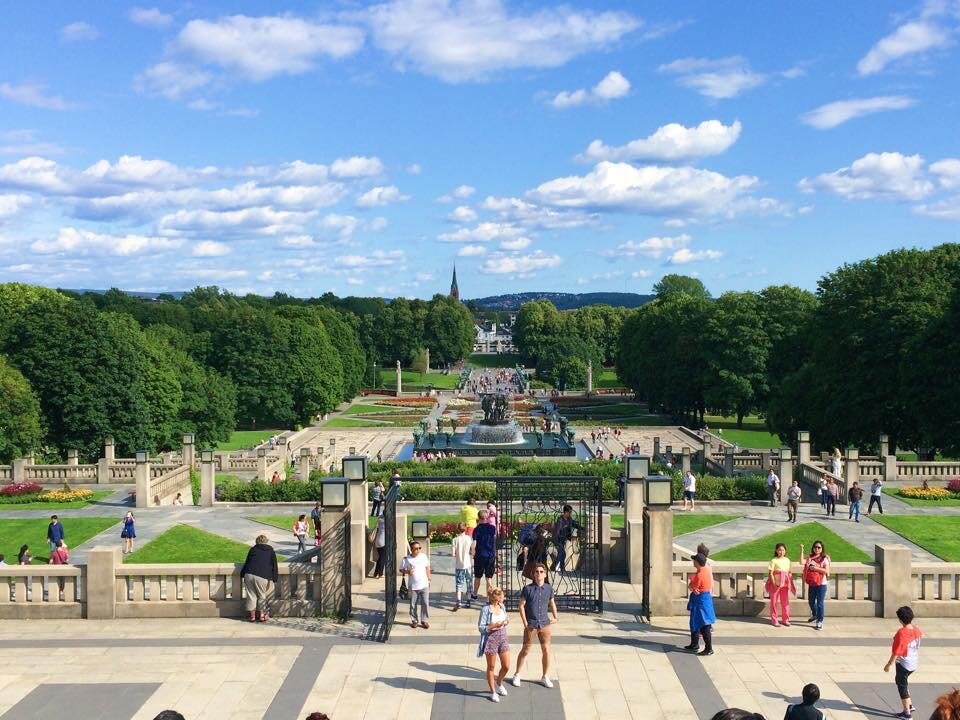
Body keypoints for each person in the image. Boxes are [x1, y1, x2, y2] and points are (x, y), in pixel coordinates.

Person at [512, 562, 558, 688]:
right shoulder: (527, 589)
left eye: (541, 572)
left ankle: (545, 676)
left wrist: (555, 617)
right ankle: (517, 674)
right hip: (531, 624)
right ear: (533, 574)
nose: (539, 574)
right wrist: (525, 622)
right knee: (526, 650)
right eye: (537, 572)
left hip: (545, 624)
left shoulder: (548, 588)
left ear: (545, 574)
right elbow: (521, 605)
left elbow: (552, 603)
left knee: (546, 650)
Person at [885, 605, 923, 720]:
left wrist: (889, 664)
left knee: (901, 685)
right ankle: (910, 705)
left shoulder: (902, 633)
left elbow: (896, 651)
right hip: (914, 662)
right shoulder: (916, 630)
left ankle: (907, 713)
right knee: (904, 682)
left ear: (900, 620)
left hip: (904, 664)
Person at [477, 587, 511, 703]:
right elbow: (481, 627)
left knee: (506, 666)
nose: (504, 598)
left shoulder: (502, 606)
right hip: (491, 639)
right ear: (497, 598)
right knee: (491, 667)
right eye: (502, 596)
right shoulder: (486, 609)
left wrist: (505, 622)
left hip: (503, 637)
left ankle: (499, 682)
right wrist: (493, 626)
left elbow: (506, 619)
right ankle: (493, 692)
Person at [241, 534, 279, 622]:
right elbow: (274, 565)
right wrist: (275, 578)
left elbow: (247, 562)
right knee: (262, 596)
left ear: (257, 541)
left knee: (251, 596)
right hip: (263, 575)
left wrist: (242, 574)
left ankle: (252, 617)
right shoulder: (270, 551)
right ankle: (261, 616)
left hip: (249, 574)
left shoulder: (253, 549)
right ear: (266, 541)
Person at [684, 552, 716, 656]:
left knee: (703, 625)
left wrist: (692, 584)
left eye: (694, 560)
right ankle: (694, 644)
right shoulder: (706, 569)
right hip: (704, 599)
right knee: (696, 622)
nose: (693, 562)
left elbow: (691, 586)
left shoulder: (699, 574)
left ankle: (708, 648)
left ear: (697, 562)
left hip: (700, 601)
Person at [800, 540, 830, 630]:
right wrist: (801, 550)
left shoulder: (824, 559)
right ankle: (815, 615)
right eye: (815, 547)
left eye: (819, 547)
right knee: (811, 602)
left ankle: (819, 621)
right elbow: (801, 562)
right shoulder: (810, 557)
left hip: (822, 584)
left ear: (822, 549)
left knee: (820, 603)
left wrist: (816, 568)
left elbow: (827, 571)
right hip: (812, 583)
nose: (817, 549)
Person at [400, 540, 431, 629]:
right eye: (416, 548)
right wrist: (407, 571)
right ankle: (414, 620)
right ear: (411, 549)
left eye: (419, 548)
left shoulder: (423, 556)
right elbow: (401, 569)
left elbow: (427, 567)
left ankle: (424, 620)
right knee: (413, 604)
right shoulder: (406, 559)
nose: (418, 550)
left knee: (425, 603)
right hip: (413, 585)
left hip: (424, 584)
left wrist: (429, 578)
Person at [767, 543, 795, 627]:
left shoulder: (787, 560)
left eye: (783, 550)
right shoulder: (773, 560)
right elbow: (770, 573)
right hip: (775, 584)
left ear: (785, 551)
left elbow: (789, 572)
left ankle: (785, 619)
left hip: (785, 584)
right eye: (779, 550)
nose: (781, 552)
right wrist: (774, 583)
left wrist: (789, 582)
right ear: (776, 551)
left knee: (785, 602)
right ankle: (774, 620)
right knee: (774, 602)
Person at [472, 509, 497, 600]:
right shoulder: (492, 528)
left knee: (477, 576)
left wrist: (472, 552)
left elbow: (474, 542)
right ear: (487, 517)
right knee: (488, 578)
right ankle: (488, 598)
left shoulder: (476, 529)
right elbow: (494, 540)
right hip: (490, 555)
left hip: (479, 555)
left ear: (478, 518)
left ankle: (475, 594)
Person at [452, 523, 473, 610]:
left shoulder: (455, 540)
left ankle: (459, 602)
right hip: (468, 564)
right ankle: (468, 601)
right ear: (465, 529)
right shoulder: (469, 538)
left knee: (459, 584)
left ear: (458, 529)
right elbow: (472, 551)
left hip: (459, 565)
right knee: (469, 582)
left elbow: (453, 553)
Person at [552, 504, 577, 572]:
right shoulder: (560, 520)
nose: (570, 514)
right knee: (562, 553)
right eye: (569, 512)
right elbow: (557, 532)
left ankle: (562, 568)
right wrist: (556, 543)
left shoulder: (569, 519)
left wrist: (582, 528)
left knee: (562, 553)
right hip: (557, 539)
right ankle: (557, 567)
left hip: (563, 539)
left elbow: (574, 524)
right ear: (565, 512)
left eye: (571, 512)